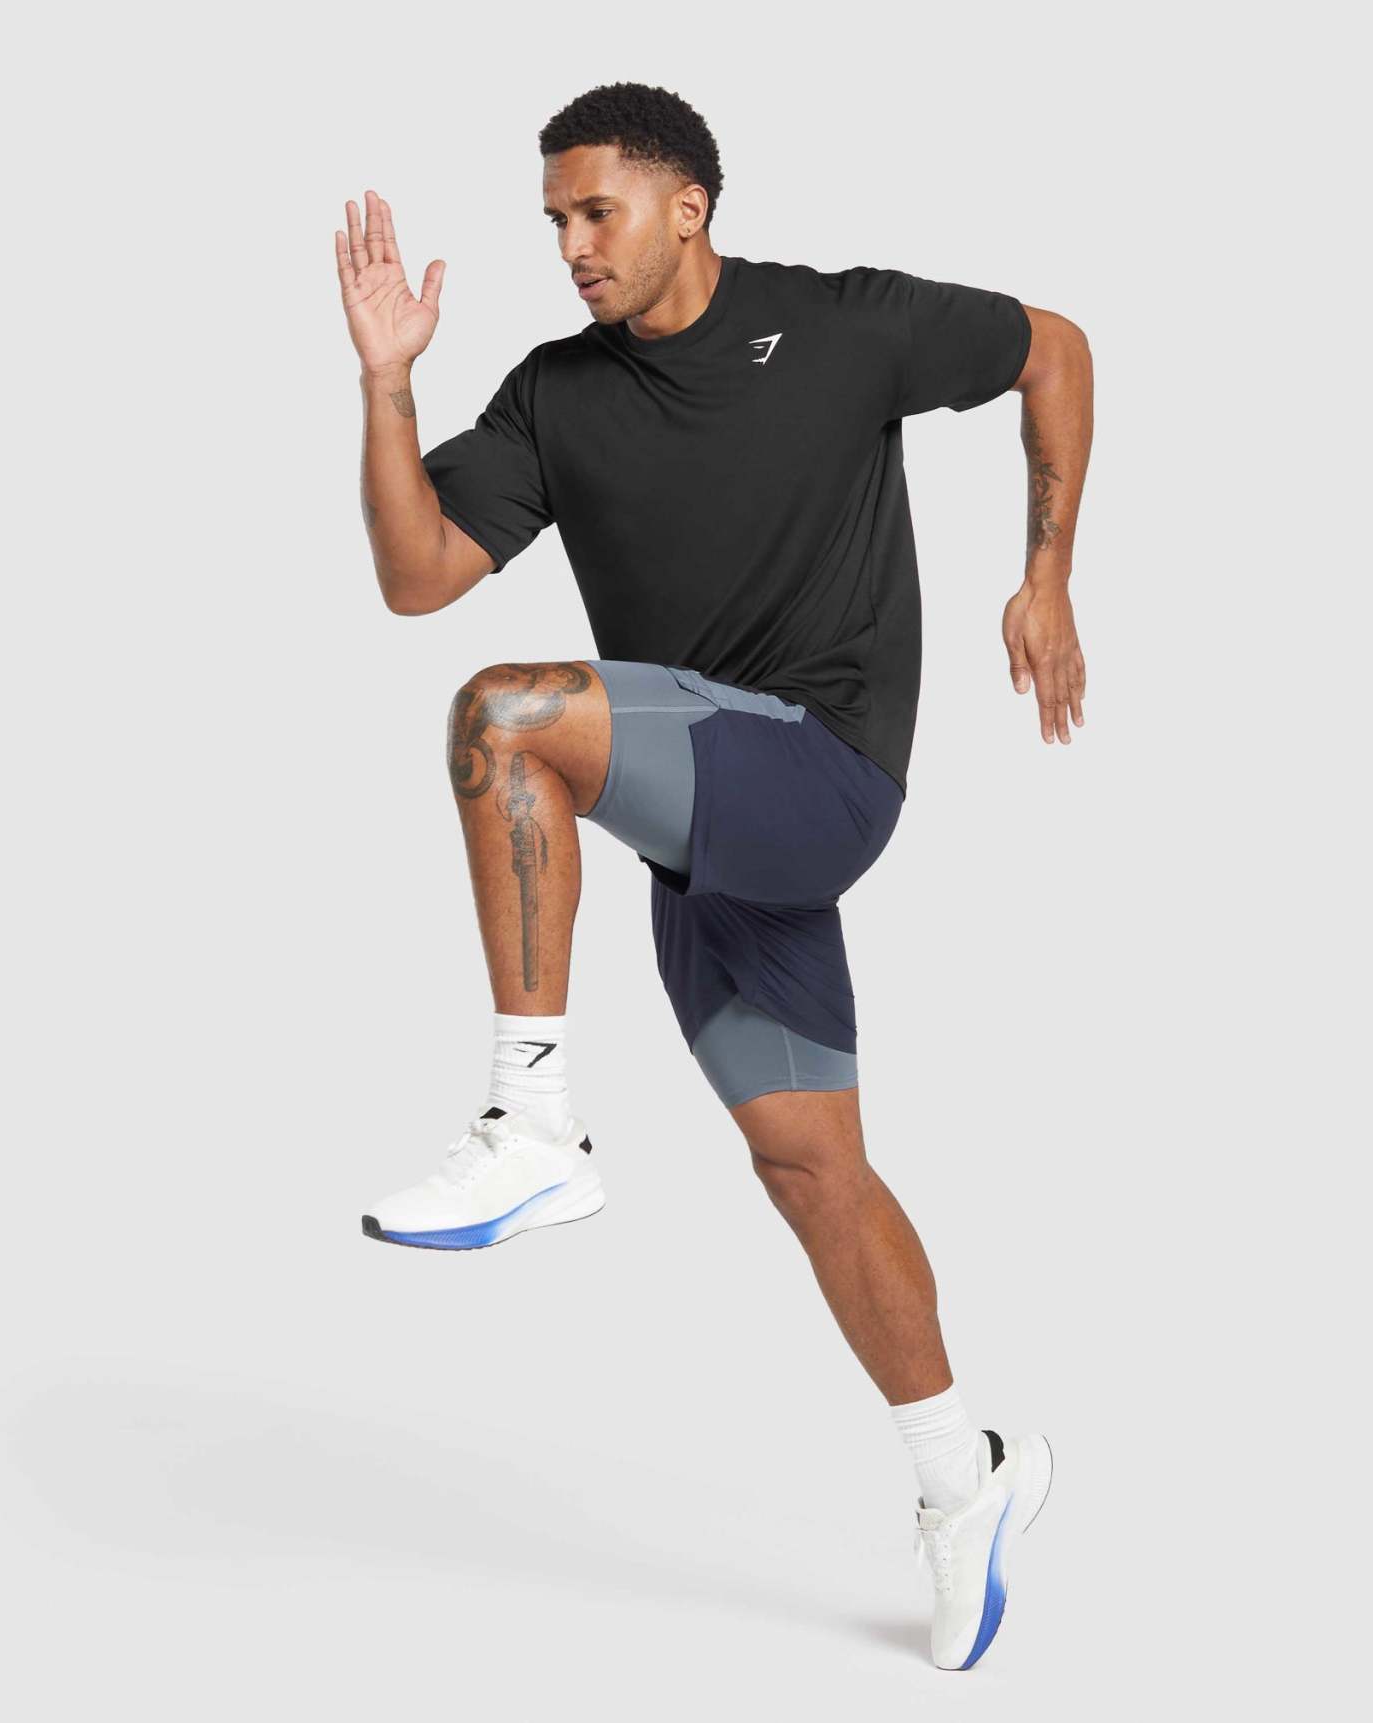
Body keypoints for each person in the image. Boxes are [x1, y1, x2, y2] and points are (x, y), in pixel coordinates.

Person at [337, 81, 1092, 1672]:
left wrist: (1044, 575)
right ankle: (962, 1478)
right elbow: (417, 578)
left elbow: (1053, 346)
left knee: (506, 716)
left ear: (686, 207)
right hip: (709, 833)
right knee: (812, 1171)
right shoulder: (555, 394)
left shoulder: (844, 326)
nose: (570, 245)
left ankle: (531, 1121)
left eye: (594, 211)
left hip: (816, 774)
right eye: (554, 219)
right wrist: (388, 386)